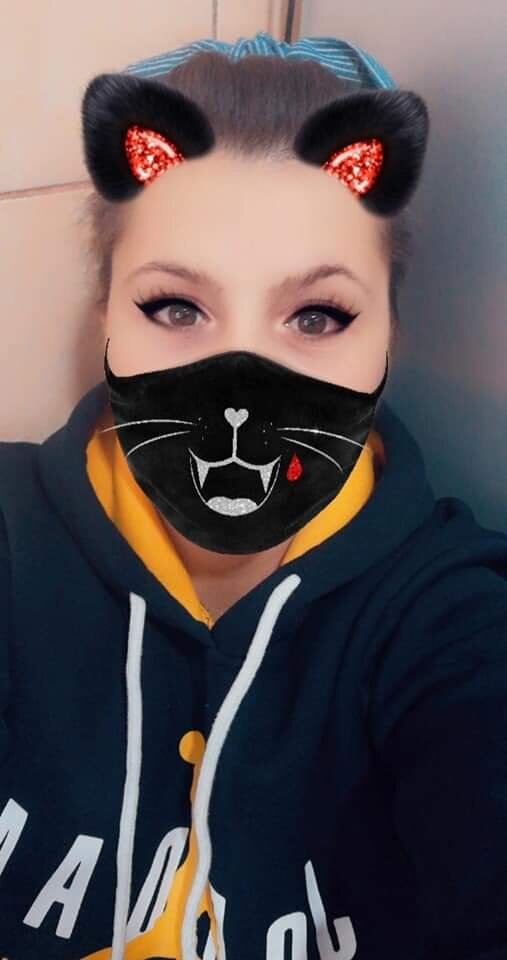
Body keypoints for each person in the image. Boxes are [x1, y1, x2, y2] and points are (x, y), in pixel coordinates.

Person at [0, 29, 506, 960]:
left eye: (315, 315)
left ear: (389, 334)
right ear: (106, 312)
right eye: (175, 307)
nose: (239, 392)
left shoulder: (449, 618)